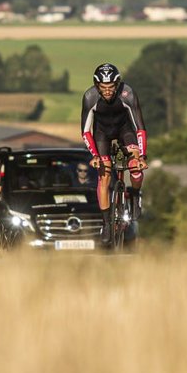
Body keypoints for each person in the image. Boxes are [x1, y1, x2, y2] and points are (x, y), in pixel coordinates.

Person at [79, 62, 148, 245]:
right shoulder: (89, 97)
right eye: (103, 87)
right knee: (104, 176)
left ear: (117, 85)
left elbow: (140, 128)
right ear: (97, 86)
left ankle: (134, 194)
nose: (108, 91)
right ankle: (107, 224)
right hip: (102, 134)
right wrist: (95, 155)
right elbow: (86, 132)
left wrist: (141, 156)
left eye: (111, 87)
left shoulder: (128, 94)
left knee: (134, 166)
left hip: (125, 130)